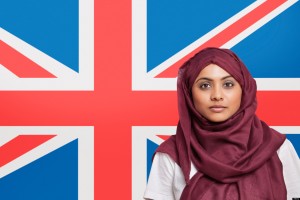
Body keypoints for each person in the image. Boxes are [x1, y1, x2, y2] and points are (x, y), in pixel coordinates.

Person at [144, 47, 300, 200]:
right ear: (189, 93)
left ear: (244, 89)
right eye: (205, 85)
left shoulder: (277, 148)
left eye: (228, 84)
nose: (217, 95)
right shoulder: (172, 154)